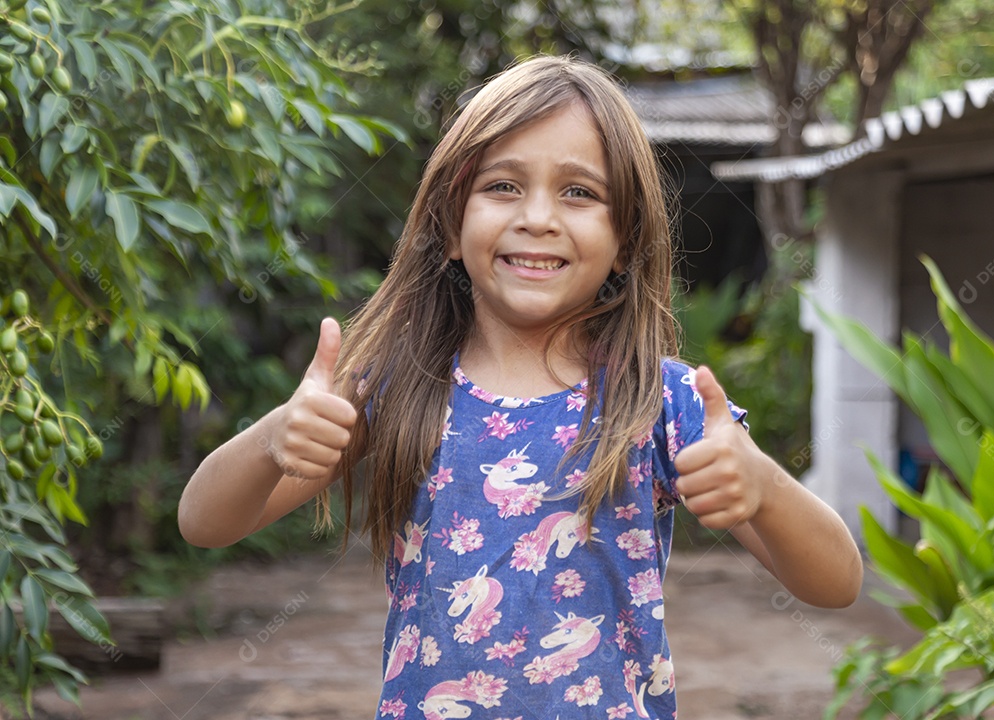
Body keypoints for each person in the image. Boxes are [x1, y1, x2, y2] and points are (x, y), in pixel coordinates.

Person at [179, 55, 862, 719]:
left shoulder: (659, 403)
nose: (537, 216)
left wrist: (764, 486)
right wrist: (275, 439)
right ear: (450, 225)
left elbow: (836, 583)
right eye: (503, 186)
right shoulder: (395, 388)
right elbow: (205, 523)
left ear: (624, 240)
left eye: (579, 192)